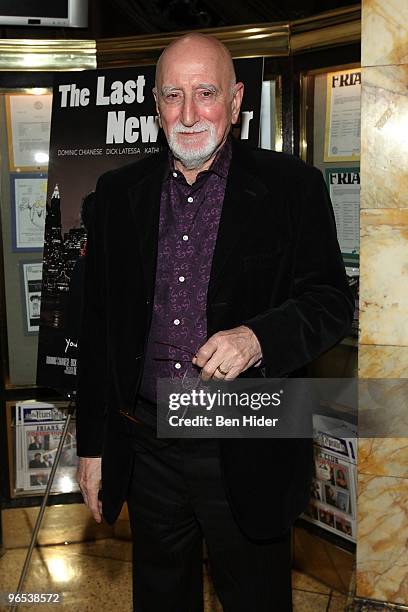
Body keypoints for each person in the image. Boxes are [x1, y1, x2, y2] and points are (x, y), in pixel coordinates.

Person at [76, 33, 354, 612]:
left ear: (235, 101)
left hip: (249, 438)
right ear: (156, 106)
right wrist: (94, 448)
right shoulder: (115, 195)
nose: (188, 112)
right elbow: (99, 331)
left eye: (205, 93)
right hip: (148, 443)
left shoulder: (291, 188)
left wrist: (257, 338)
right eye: (173, 95)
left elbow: (329, 301)